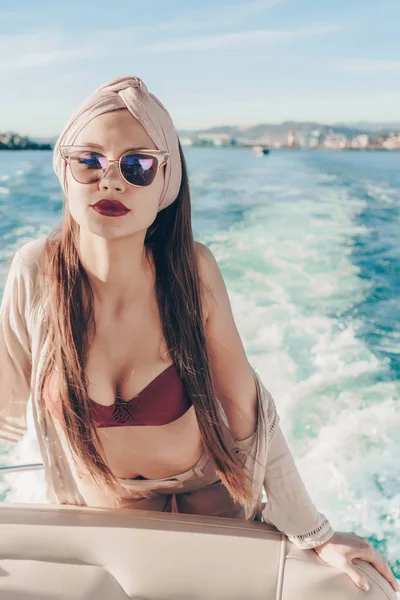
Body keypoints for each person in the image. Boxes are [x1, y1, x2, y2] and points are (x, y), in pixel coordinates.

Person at [0, 76, 398, 595]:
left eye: (137, 165)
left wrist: (317, 534)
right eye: (89, 160)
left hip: (213, 492)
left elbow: (248, 410)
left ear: (164, 183)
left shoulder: (191, 270)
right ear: (65, 171)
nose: (111, 181)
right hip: (108, 509)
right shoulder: (35, 272)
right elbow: (4, 408)